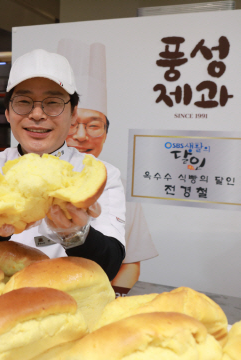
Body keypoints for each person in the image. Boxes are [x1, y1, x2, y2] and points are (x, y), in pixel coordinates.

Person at [0, 49, 126, 280]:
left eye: (53, 103)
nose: (37, 114)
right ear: (7, 112)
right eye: (23, 102)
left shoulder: (98, 177)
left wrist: (76, 234)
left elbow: (110, 262)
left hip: (70, 297)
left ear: (74, 113)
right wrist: (3, 221)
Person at [60, 39, 158, 294]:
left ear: (105, 133)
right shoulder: (31, 179)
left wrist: (108, 302)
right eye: (73, 125)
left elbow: (130, 264)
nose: (82, 136)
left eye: (94, 125)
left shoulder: (118, 186)